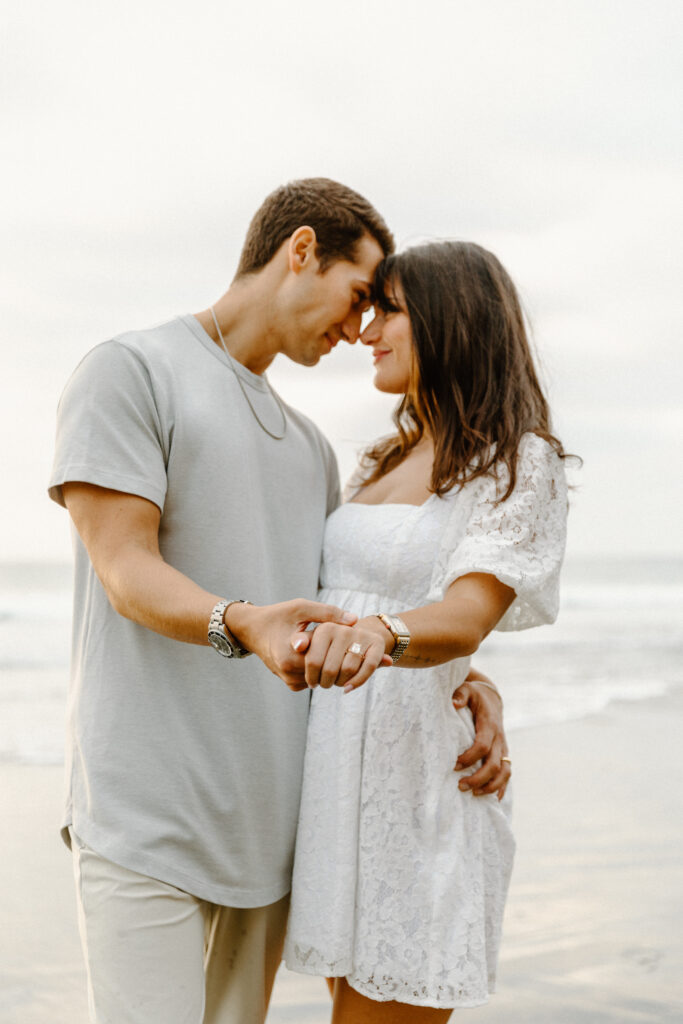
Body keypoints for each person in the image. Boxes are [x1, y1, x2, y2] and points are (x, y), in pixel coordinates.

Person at [48, 180, 509, 1024]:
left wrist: (471, 686)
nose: (359, 328)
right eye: (358, 295)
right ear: (300, 251)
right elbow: (124, 570)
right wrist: (241, 621)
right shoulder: (131, 371)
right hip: (145, 818)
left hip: (273, 835)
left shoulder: (311, 452)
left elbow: (354, 613)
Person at [284, 240, 570, 1022]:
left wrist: (395, 639)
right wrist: (474, 683)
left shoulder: (517, 461)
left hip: (418, 784)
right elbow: (357, 595)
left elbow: (464, 614)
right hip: (338, 778)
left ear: (452, 322)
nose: (367, 330)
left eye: (391, 310)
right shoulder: (382, 460)